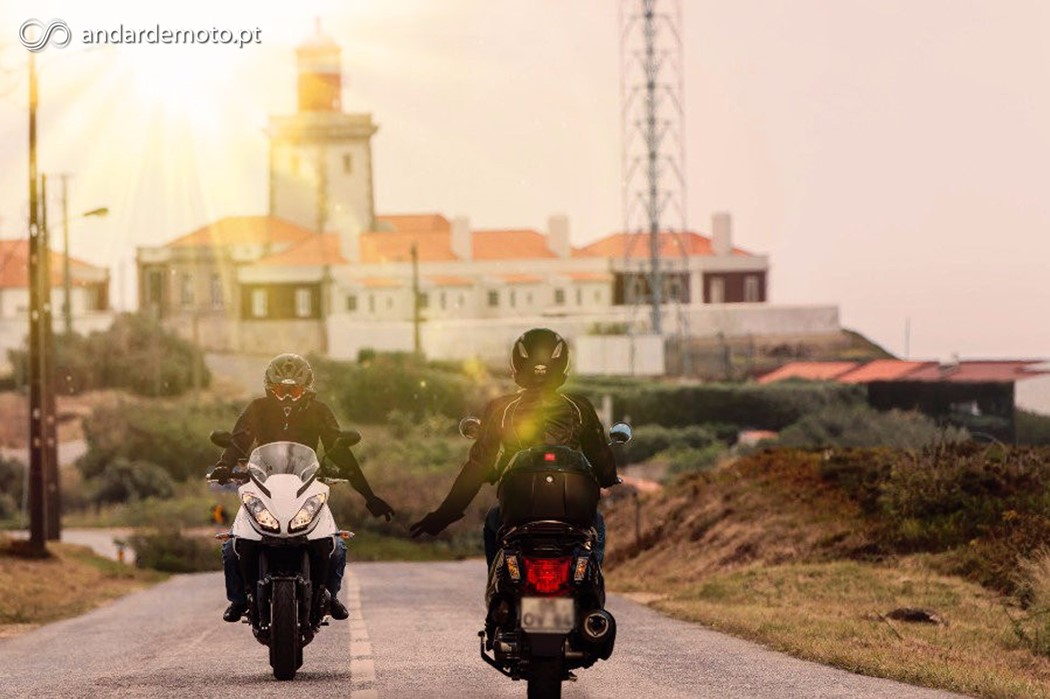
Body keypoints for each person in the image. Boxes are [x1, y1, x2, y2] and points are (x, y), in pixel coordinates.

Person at [209, 353, 395, 622]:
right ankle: (238, 599)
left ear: (306, 389)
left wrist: (369, 496)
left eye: (293, 390)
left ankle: (329, 595)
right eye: (279, 390)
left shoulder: (319, 411)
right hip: (263, 486)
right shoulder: (257, 408)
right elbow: (238, 441)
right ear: (269, 388)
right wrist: (224, 466)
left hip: (307, 484)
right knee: (234, 544)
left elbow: (339, 449)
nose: (286, 397)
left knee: (335, 543)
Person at [409, 328, 618, 567]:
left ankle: (498, 592)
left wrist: (443, 515)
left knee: (493, 522)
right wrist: (609, 476)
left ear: (517, 365)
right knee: (596, 523)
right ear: (563, 365)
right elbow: (602, 462)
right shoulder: (580, 407)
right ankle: (592, 592)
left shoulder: (500, 408)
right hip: (572, 503)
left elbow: (476, 468)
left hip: (518, 504)